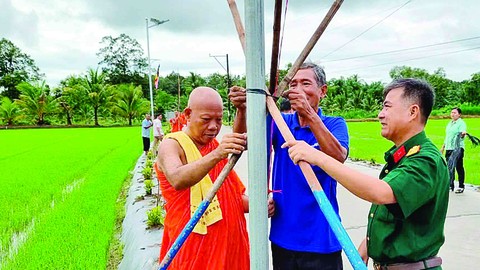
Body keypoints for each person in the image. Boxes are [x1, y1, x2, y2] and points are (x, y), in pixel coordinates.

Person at [283, 78, 449, 269]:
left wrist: (318, 157)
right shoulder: (401, 157)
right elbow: (398, 214)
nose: (380, 115)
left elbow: (380, 192)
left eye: (387, 107)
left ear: (413, 112)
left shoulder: (425, 160)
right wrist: (370, 242)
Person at [229, 62, 349, 270]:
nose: (299, 89)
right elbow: (240, 142)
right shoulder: (279, 123)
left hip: (321, 239)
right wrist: (241, 110)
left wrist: (309, 114)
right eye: (294, 84)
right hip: (283, 238)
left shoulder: (334, 124)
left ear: (323, 91)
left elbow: (338, 156)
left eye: (306, 83)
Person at [155, 86, 274, 269]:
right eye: (206, 119)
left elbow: (228, 199)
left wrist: (259, 206)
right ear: (187, 114)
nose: (214, 126)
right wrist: (218, 153)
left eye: (219, 120)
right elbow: (177, 178)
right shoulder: (172, 145)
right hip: (193, 249)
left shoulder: (212, 145)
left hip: (230, 247)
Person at [440, 107, 467, 193]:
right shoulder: (449, 124)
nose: (453, 114)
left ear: (459, 114)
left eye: (455, 113)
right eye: (452, 112)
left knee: (458, 167)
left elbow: (462, 133)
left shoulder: (461, 123)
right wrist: (443, 147)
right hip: (449, 147)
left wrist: (462, 134)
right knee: (449, 166)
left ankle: (461, 186)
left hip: (457, 148)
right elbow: (448, 136)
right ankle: (450, 185)